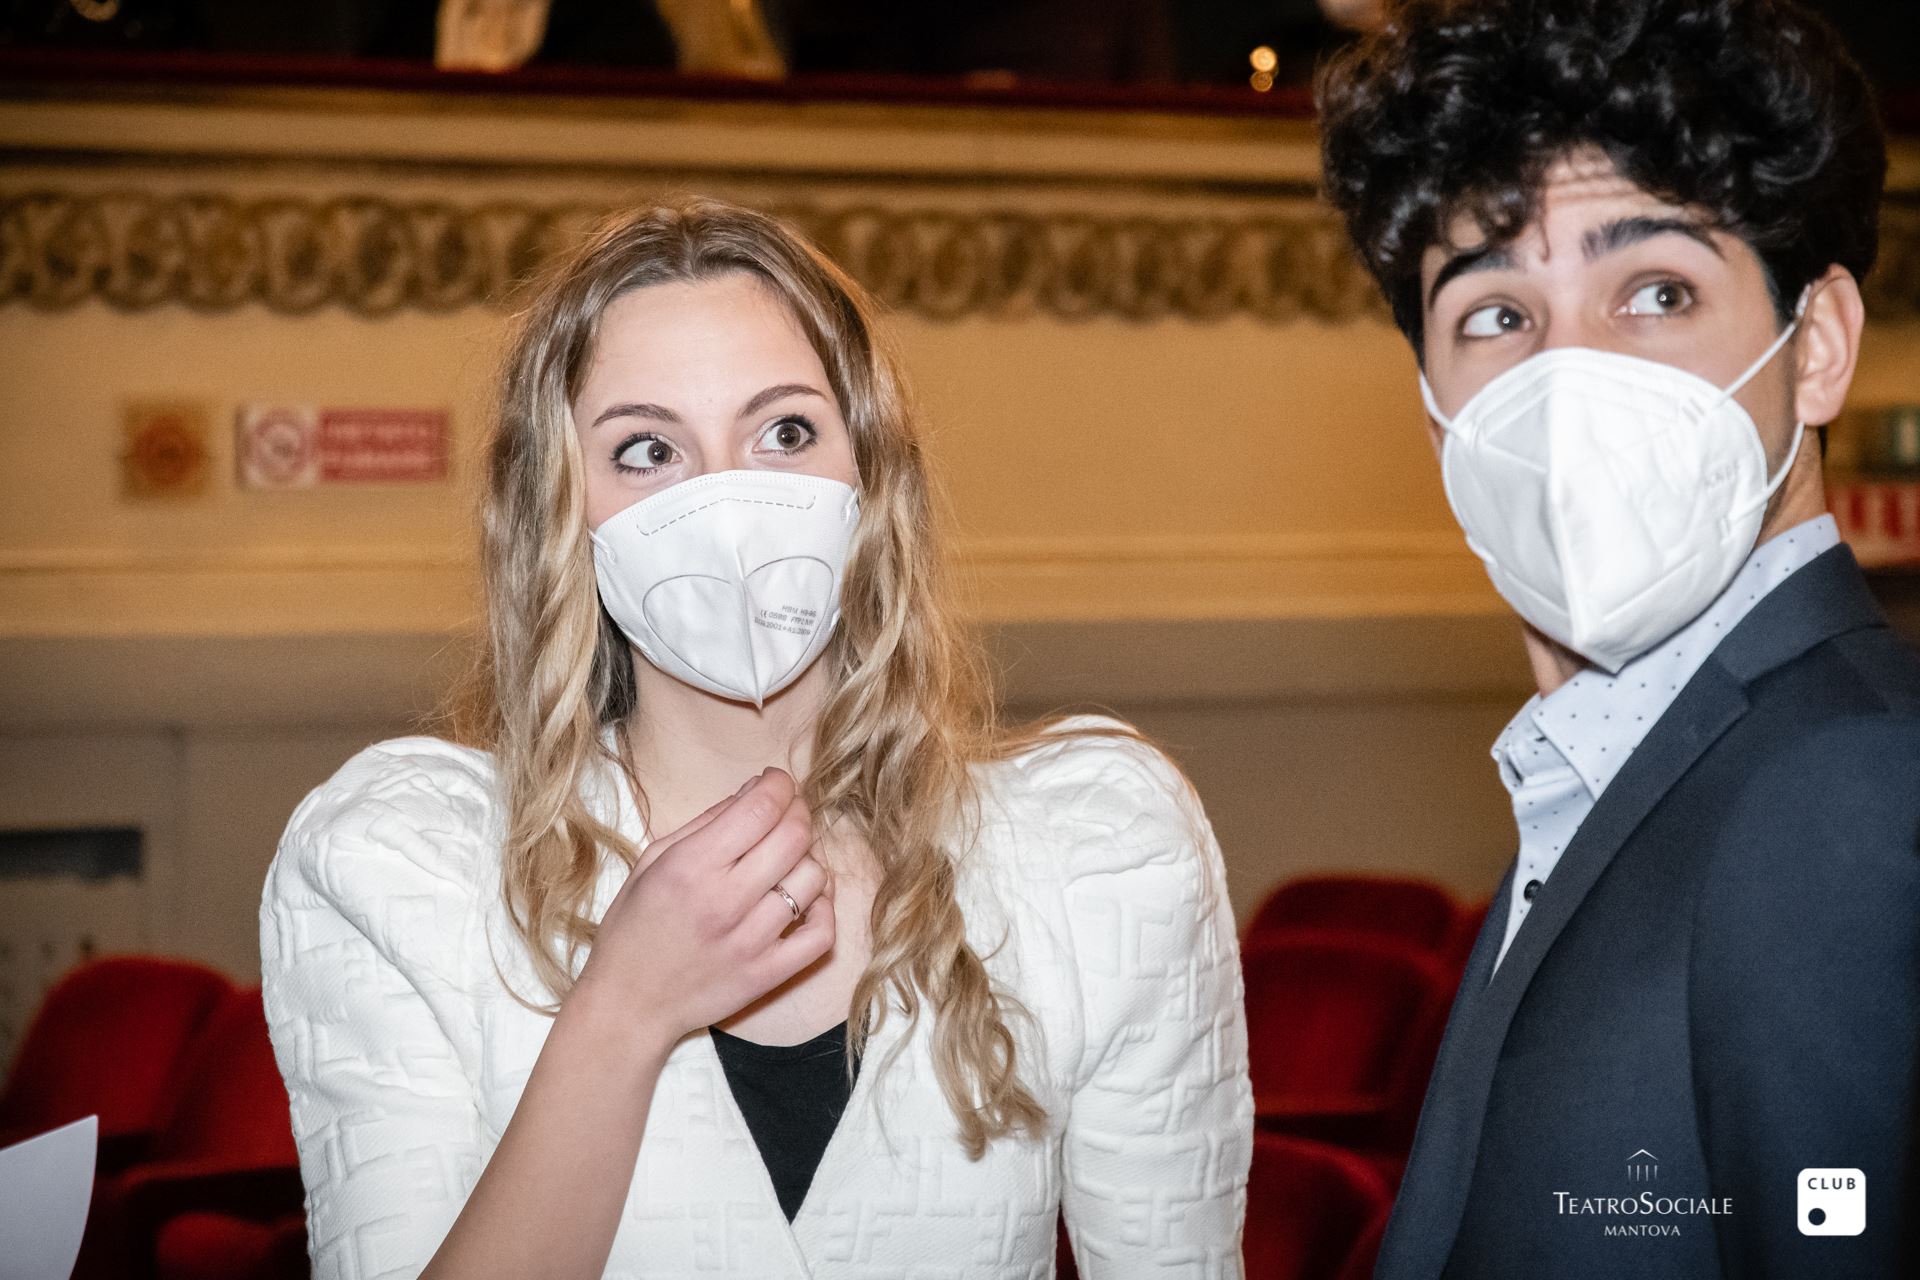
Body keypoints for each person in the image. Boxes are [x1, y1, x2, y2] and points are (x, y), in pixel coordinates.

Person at [258, 198, 1252, 1279]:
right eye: (648, 450)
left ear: (872, 475)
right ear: (560, 510)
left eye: (784, 432)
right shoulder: (405, 868)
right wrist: (623, 1012)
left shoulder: (1095, 849)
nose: (727, 502)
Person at [1316, 2, 1919, 1277]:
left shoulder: (1840, 785)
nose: (1567, 377)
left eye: (1655, 291)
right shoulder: (1606, 773)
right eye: (1495, 314)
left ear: (1816, 348)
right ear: (1436, 418)